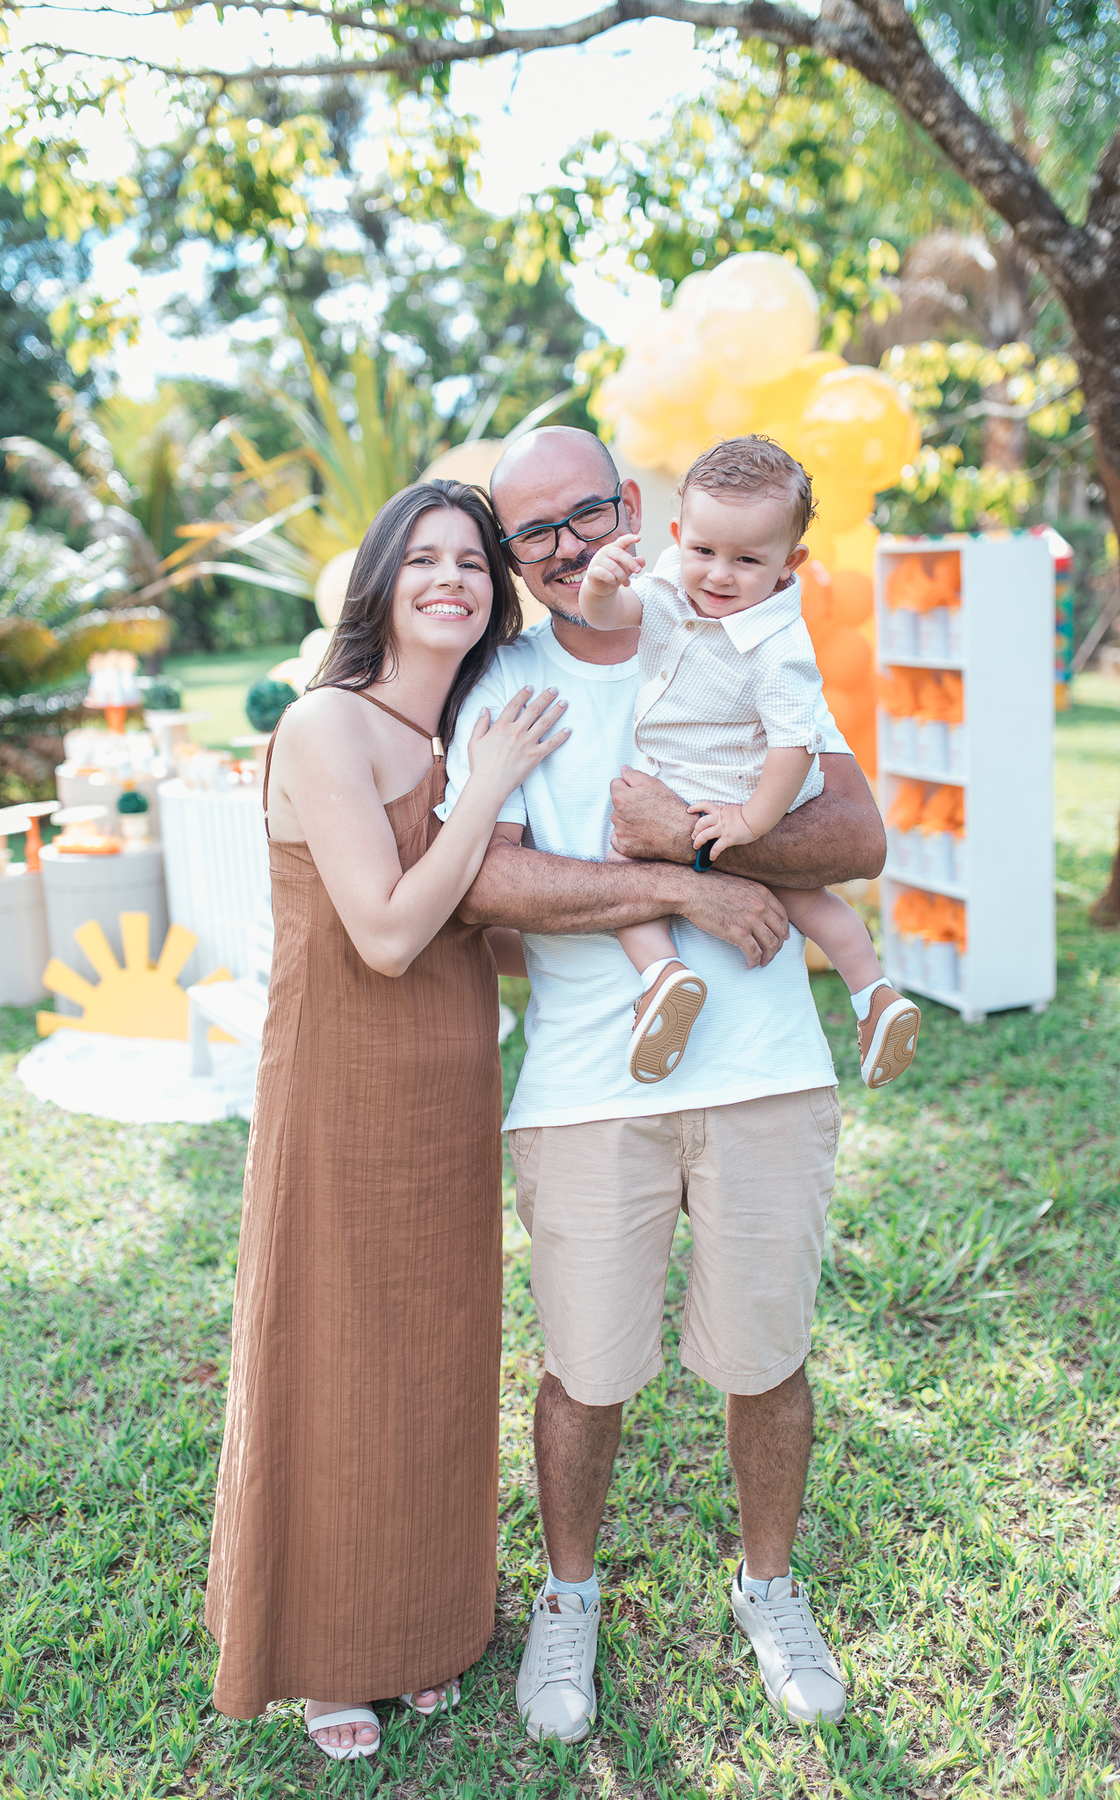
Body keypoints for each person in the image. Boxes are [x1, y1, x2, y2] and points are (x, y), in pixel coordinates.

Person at [439, 426, 886, 1740]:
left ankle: (769, 1589)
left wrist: (693, 842)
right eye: (531, 533)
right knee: (585, 1373)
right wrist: (685, 888)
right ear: (511, 556)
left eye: (583, 514)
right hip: (587, 1084)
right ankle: (568, 1597)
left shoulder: (741, 630)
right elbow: (489, 878)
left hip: (765, 1074)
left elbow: (856, 831)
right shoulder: (503, 683)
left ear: (630, 504)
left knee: (768, 1361)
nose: (564, 547)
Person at [205, 478, 570, 1762]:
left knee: (437, 1349)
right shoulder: (328, 726)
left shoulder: (461, 728)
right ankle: (328, 1650)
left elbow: (492, 928)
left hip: (450, 1082)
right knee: (341, 1354)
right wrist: (490, 785)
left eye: (472, 561)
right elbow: (389, 932)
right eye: (423, 559)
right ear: (380, 581)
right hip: (341, 1081)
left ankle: (424, 1624)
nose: (451, 580)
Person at [578, 436, 920, 1092]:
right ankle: (873, 994)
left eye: (746, 560)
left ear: (789, 563)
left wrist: (750, 821)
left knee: (622, 864)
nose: (718, 575)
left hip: (738, 793)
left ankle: (662, 974)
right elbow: (611, 617)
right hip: (713, 790)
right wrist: (599, 586)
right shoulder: (668, 585)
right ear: (678, 537)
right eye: (703, 551)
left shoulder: (779, 644)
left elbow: (795, 743)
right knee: (807, 901)